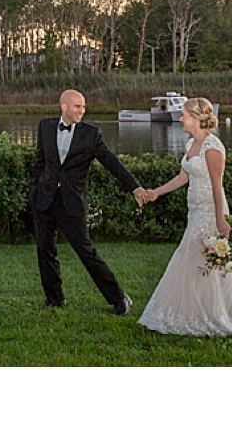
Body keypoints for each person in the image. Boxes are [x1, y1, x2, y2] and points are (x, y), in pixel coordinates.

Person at [137, 97, 232, 337]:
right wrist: (156, 193)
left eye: (184, 114)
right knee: (195, 262)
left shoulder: (212, 147)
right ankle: (192, 312)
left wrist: (220, 220)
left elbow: (218, 186)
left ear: (195, 117)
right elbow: (183, 178)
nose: (181, 118)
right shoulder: (191, 144)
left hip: (209, 211)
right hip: (194, 209)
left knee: (196, 260)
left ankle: (212, 315)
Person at [31, 89, 147, 315]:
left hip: (71, 203)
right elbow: (40, 161)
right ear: (63, 106)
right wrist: (35, 188)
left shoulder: (91, 134)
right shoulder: (45, 126)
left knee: (85, 251)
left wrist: (135, 187)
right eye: (77, 106)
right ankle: (54, 299)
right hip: (44, 200)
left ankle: (118, 298)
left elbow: (112, 163)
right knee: (45, 250)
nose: (82, 111)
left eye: (83, 107)